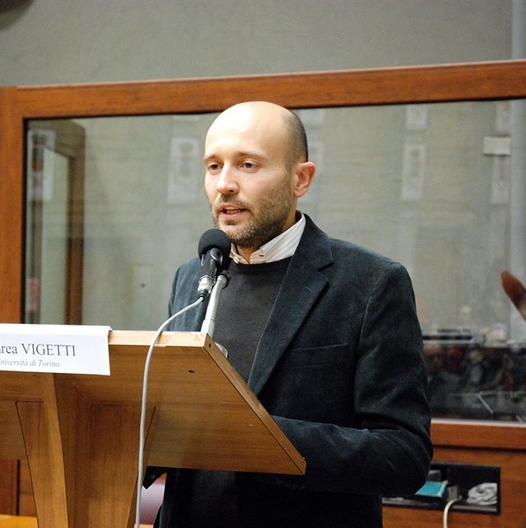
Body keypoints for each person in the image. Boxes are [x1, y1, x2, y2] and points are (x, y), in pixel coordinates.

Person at [153, 101, 432, 528]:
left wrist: (256, 436)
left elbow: (403, 455)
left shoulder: (370, 282)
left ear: (300, 179)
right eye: (213, 167)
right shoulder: (194, 277)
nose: (225, 184)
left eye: (247, 164)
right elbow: (178, 423)